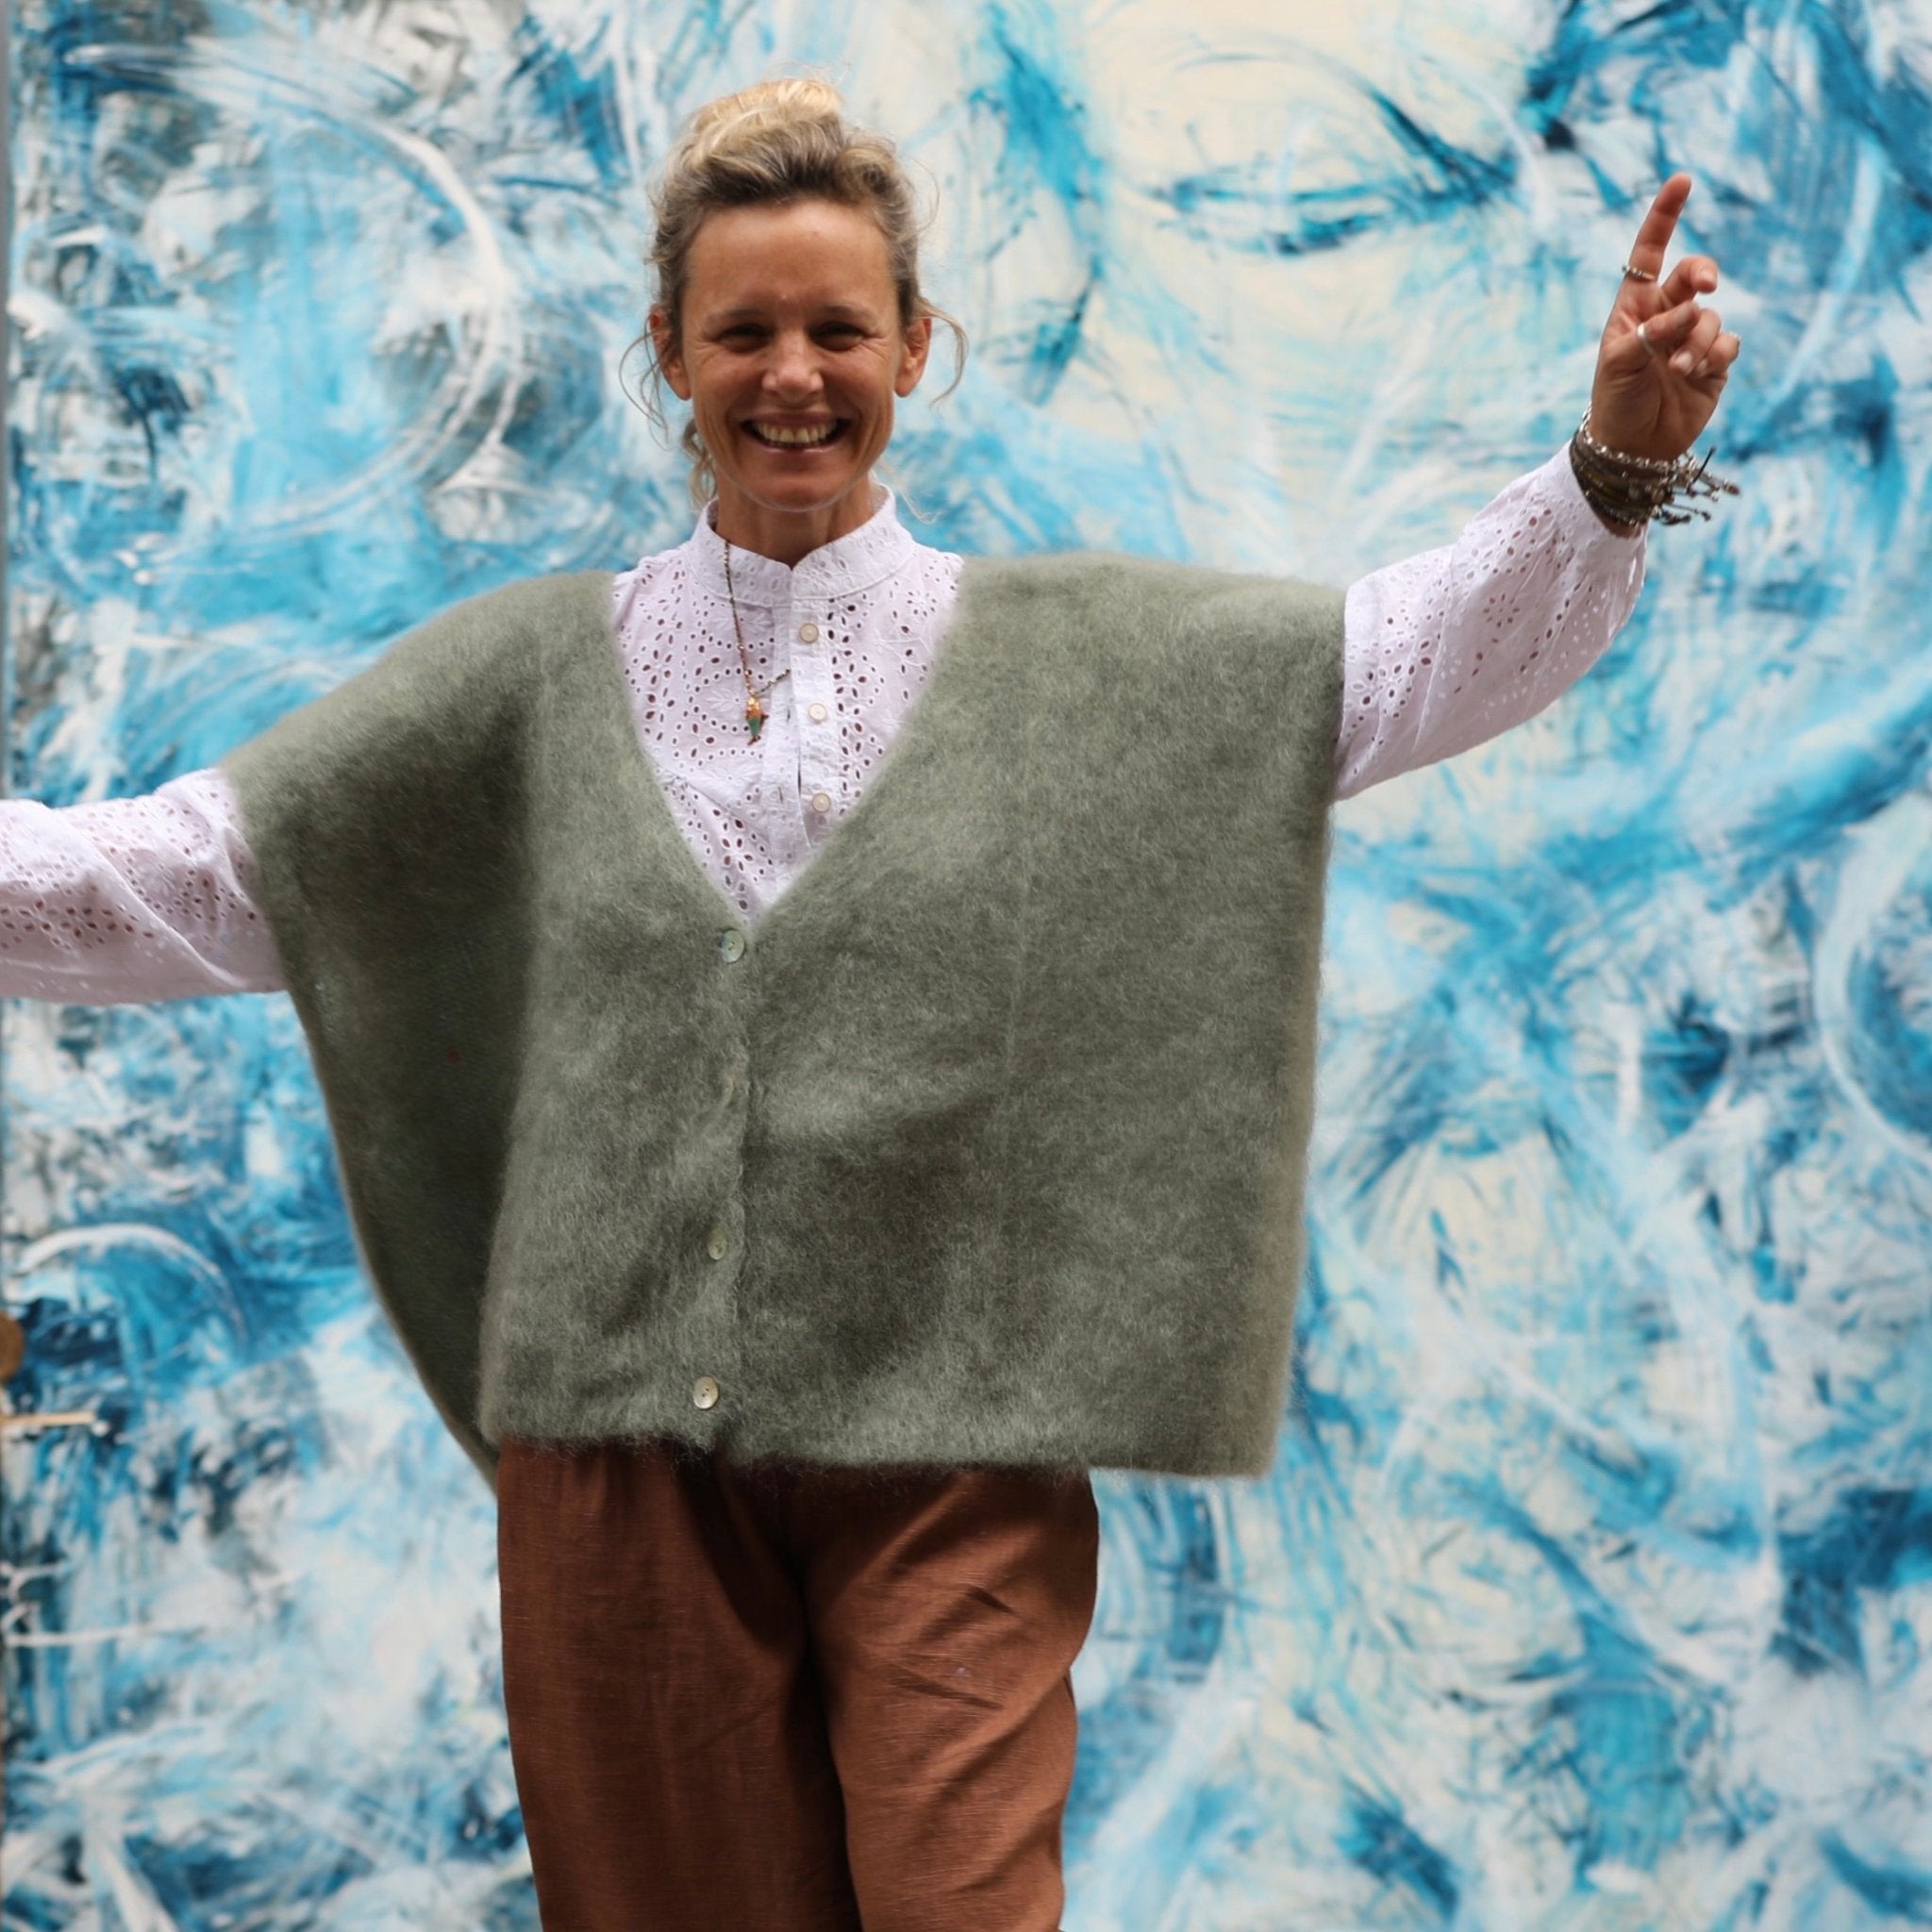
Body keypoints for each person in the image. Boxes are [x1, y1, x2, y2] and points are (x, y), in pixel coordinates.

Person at [0, 78, 1737, 1932]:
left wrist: (1608, 471)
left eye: (838, 328)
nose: (792, 374)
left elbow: (1387, 667)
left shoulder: (1070, 665)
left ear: (915, 344)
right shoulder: (526, 684)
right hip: (619, 1467)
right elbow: (192, 872)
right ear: (670, 354)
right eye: (740, 330)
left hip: (950, 1446)